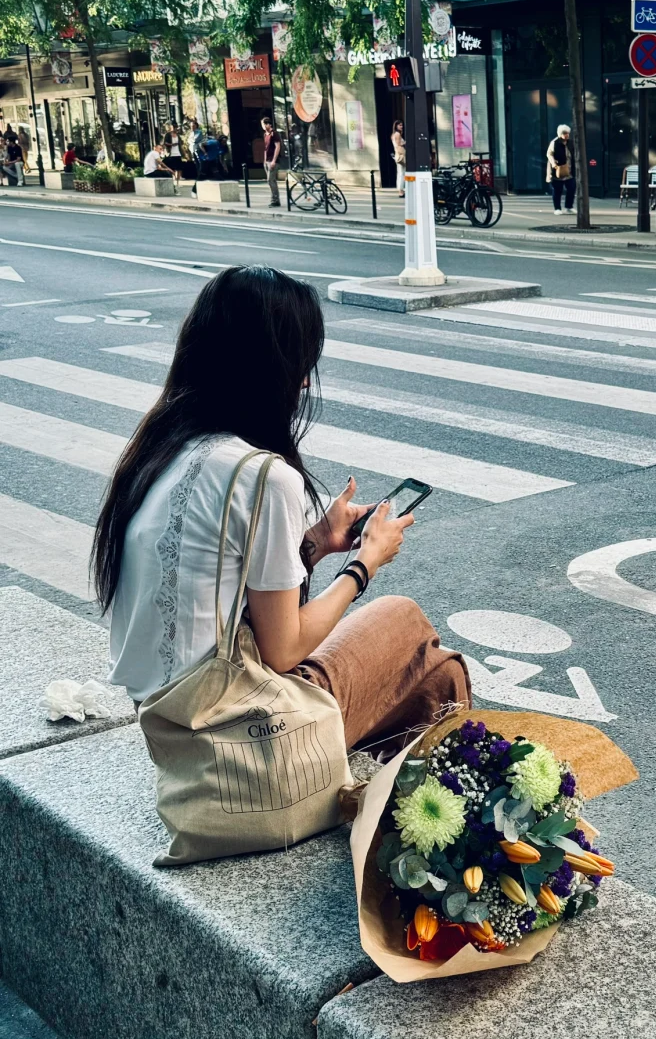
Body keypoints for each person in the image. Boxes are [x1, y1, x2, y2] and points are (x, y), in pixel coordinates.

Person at [93, 266, 470, 759]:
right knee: (416, 637)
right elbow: (283, 649)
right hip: (231, 732)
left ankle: (391, 795)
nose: (307, 382)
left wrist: (314, 543)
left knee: (422, 668)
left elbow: (225, 587)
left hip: (166, 717)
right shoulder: (264, 475)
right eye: (301, 362)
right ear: (268, 369)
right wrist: (364, 564)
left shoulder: (164, 446)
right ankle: (440, 805)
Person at [546, 123, 575, 216]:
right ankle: (557, 208)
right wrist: (554, 163)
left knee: (571, 188)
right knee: (557, 190)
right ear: (560, 134)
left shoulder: (571, 142)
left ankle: (569, 207)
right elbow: (549, 154)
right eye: (564, 133)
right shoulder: (555, 143)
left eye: (567, 133)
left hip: (569, 170)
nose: (567, 135)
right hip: (558, 170)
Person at [262, 115, 282, 207]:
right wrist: (265, 160)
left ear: (268, 124)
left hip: (273, 160)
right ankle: (274, 199)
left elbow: (277, 146)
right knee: (271, 181)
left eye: (263, 124)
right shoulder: (265, 135)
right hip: (267, 160)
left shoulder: (274, 134)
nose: (262, 126)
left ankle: (275, 200)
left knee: (270, 180)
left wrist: (274, 160)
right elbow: (266, 148)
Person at [391, 120, 406, 196]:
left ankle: (400, 189)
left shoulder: (394, 134)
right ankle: (401, 190)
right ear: (396, 126)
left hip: (398, 155)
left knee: (400, 172)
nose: (401, 126)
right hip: (400, 155)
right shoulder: (397, 135)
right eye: (400, 125)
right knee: (402, 173)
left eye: (402, 125)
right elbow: (398, 146)